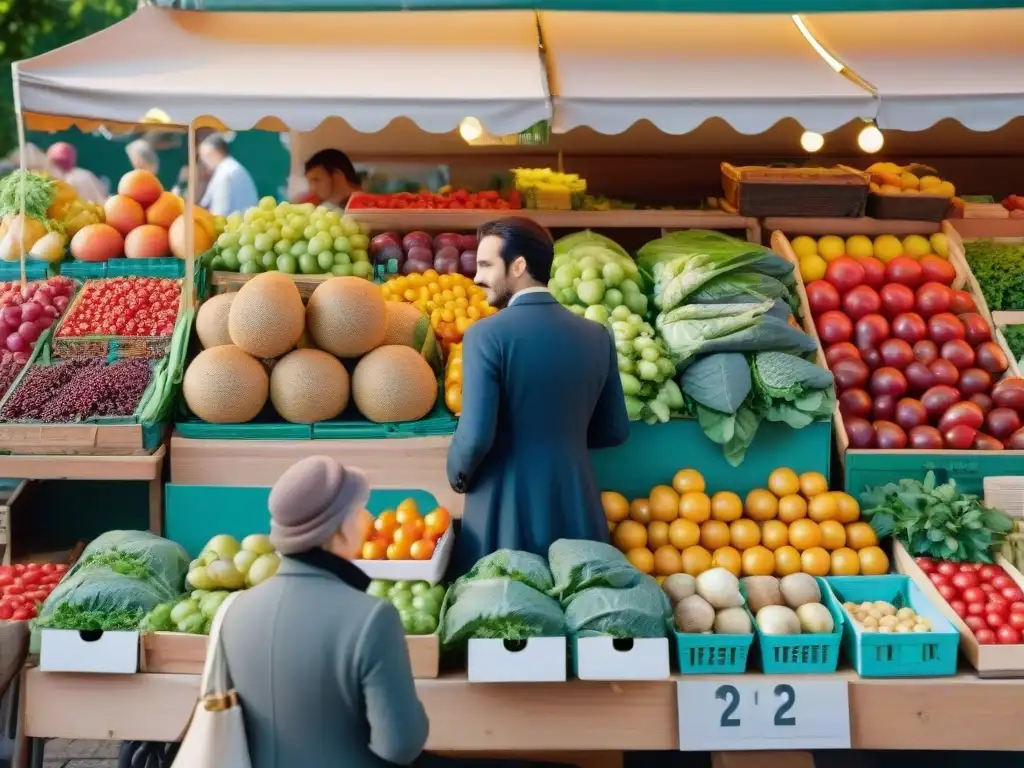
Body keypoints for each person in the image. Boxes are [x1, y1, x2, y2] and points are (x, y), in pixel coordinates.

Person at [446, 217, 631, 577]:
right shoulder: (596, 335)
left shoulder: (485, 335)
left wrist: (457, 474)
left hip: (502, 509)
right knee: (576, 609)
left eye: (485, 265)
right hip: (575, 503)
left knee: (500, 618)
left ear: (518, 266)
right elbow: (614, 431)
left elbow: (476, 436)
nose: (476, 277)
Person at [220, 455, 429, 768]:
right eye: (359, 510)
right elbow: (401, 745)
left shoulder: (233, 611)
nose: (368, 518)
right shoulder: (372, 618)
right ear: (340, 529)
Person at [198, 133, 258, 217]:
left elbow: (219, 214)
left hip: (234, 227)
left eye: (205, 156)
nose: (204, 162)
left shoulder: (224, 174)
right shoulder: (232, 168)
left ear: (215, 152)